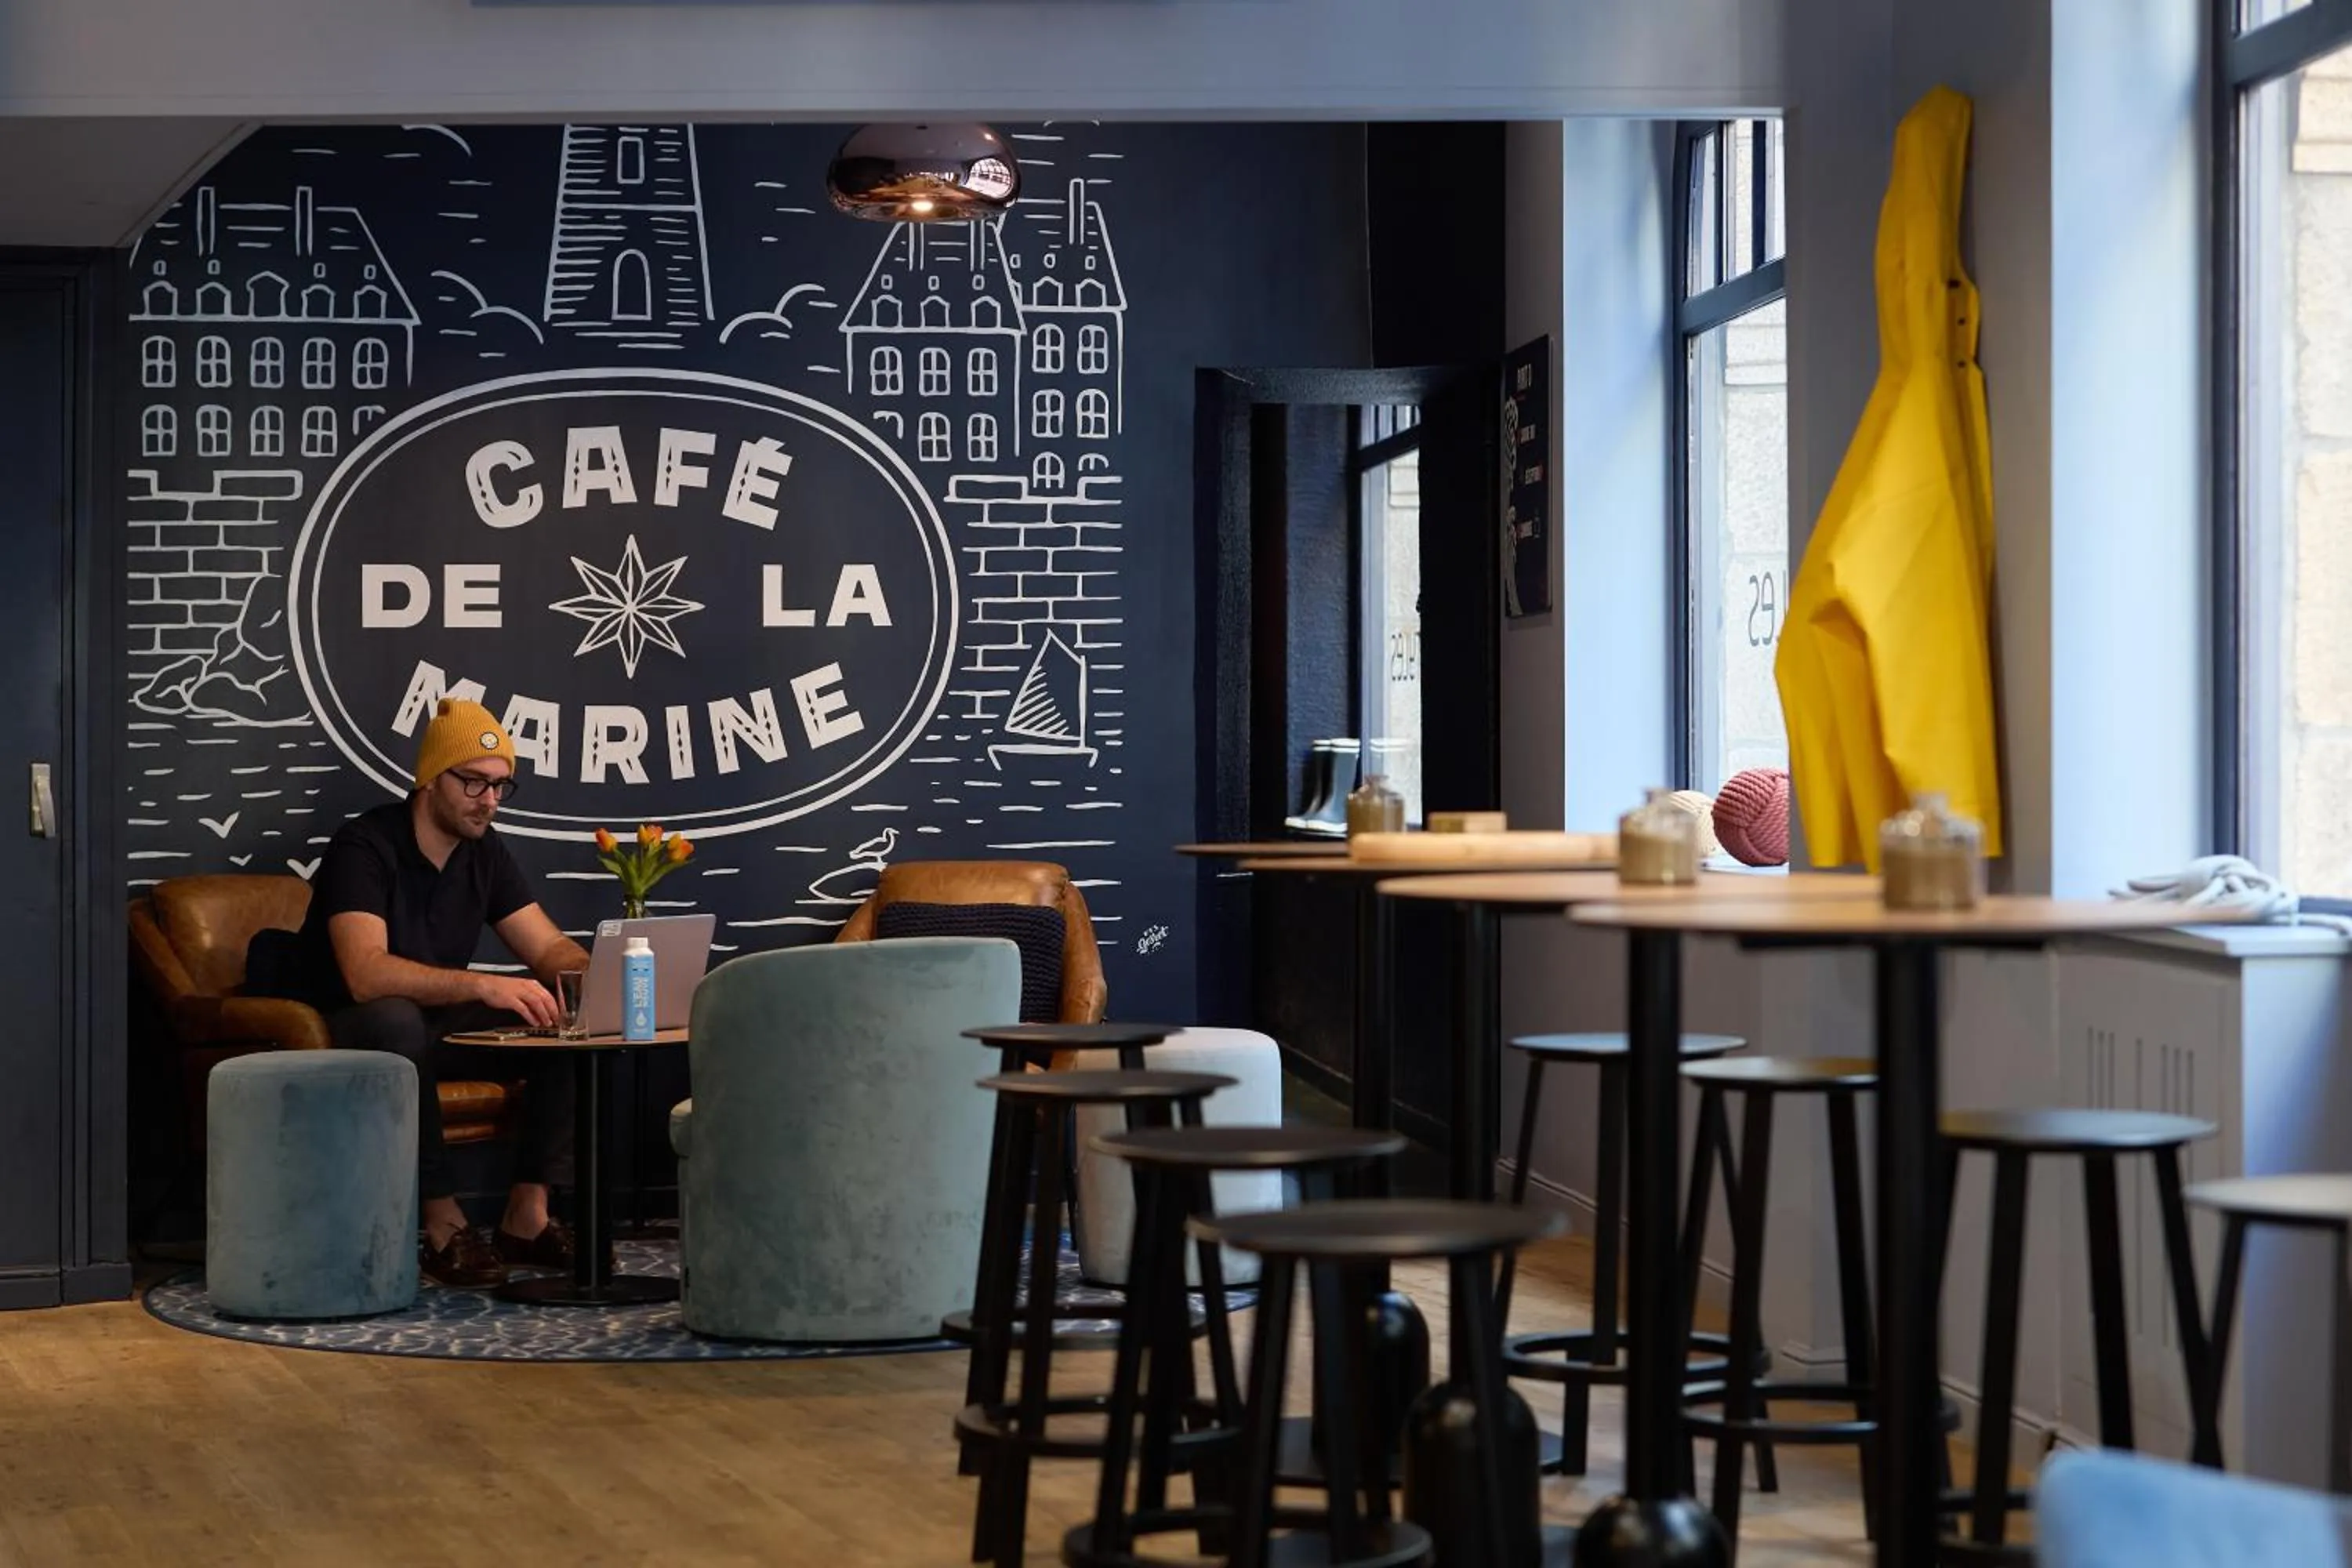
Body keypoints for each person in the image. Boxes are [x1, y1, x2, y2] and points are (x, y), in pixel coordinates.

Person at [292, 697, 590, 1288]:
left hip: (428, 1025)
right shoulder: (365, 845)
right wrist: (485, 983)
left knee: (559, 1020)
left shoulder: (484, 852)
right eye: (474, 783)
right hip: (340, 1023)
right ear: (429, 779)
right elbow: (365, 974)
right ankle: (442, 1223)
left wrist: (587, 975)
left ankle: (526, 1217)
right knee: (398, 1019)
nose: (490, 801)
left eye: (502, 786)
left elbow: (546, 947)